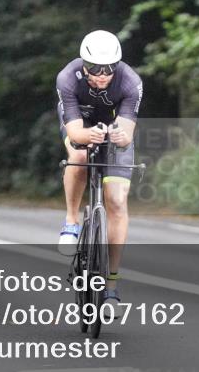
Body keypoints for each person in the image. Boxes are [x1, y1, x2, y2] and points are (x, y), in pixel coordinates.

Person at [55, 30, 143, 303]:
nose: (103, 74)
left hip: (114, 132)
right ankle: (71, 221)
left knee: (116, 202)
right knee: (79, 156)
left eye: (109, 68)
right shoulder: (68, 78)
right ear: (84, 64)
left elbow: (127, 133)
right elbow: (75, 131)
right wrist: (86, 137)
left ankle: (112, 285)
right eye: (95, 68)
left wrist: (119, 135)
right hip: (80, 125)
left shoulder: (130, 82)